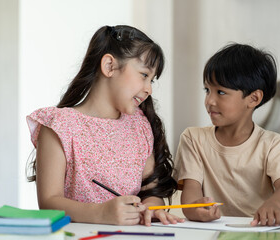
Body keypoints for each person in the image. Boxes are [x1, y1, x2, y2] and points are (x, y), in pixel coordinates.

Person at [26, 25, 184, 226]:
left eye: (152, 80)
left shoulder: (140, 126)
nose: (149, 89)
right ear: (109, 66)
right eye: (144, 75)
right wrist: (101, 213)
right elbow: (49, 202)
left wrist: (150, 209)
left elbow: (150, 191)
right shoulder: (58, 125)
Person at [174, 43, 280, 226]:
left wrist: (274, 205)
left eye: (221, 92)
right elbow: (191, 192)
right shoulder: (193, 138)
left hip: (262, 229)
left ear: (253, 98)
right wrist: (195, 209)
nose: (210, 101)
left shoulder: (273, 143)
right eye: (207, 90)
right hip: (215, 231)